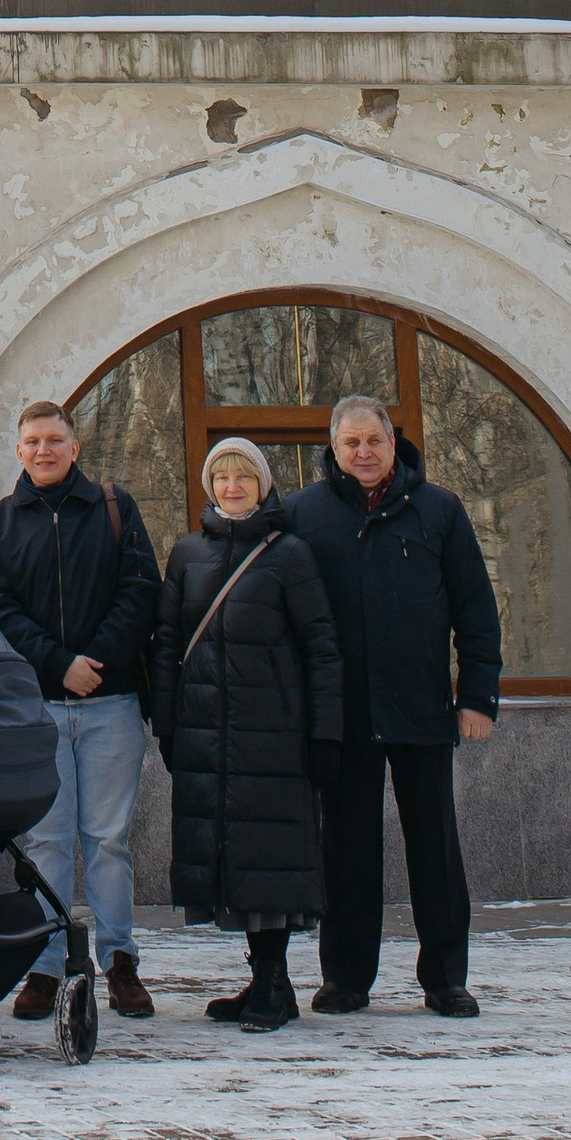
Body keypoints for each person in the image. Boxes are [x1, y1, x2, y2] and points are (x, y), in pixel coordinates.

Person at [281, 392, 503, 1019]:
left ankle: (446, 979)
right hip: (342, 715)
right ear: (333, 449)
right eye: (350, 443)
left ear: (392, 442)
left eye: (373, 440)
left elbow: (475, 608)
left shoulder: (439, 510)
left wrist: (477, 695)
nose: (363, 452)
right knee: (347, 850)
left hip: (420, 708)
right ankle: (346, 978)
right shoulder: (302, 514)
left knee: (435, 847)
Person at [0, 395, 161, 1023]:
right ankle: (45, 965)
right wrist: (58, 664)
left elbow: (140, 591)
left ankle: (119, 962)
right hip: (37, 709)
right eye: (33, 442)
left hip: (111, 703)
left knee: (109, 840)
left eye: (55, 440)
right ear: (18, 450)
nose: (44, 450)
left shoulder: (114, 508)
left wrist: (94, 662)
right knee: (46, 842)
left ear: (74, 447)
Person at [151, 436, 346, 1033]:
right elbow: (166, 641)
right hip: (206, 733)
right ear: (209, 486)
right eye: (222, 478)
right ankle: (266, 982)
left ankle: (272, 983)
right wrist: (167, 722)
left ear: (263, 485)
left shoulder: (290, 554)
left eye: (244, 477)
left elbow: (321, 646)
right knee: (230, 858)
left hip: (274, 736)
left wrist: (326, 733)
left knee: (269, 858)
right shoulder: (188, 553)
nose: (232, 487)